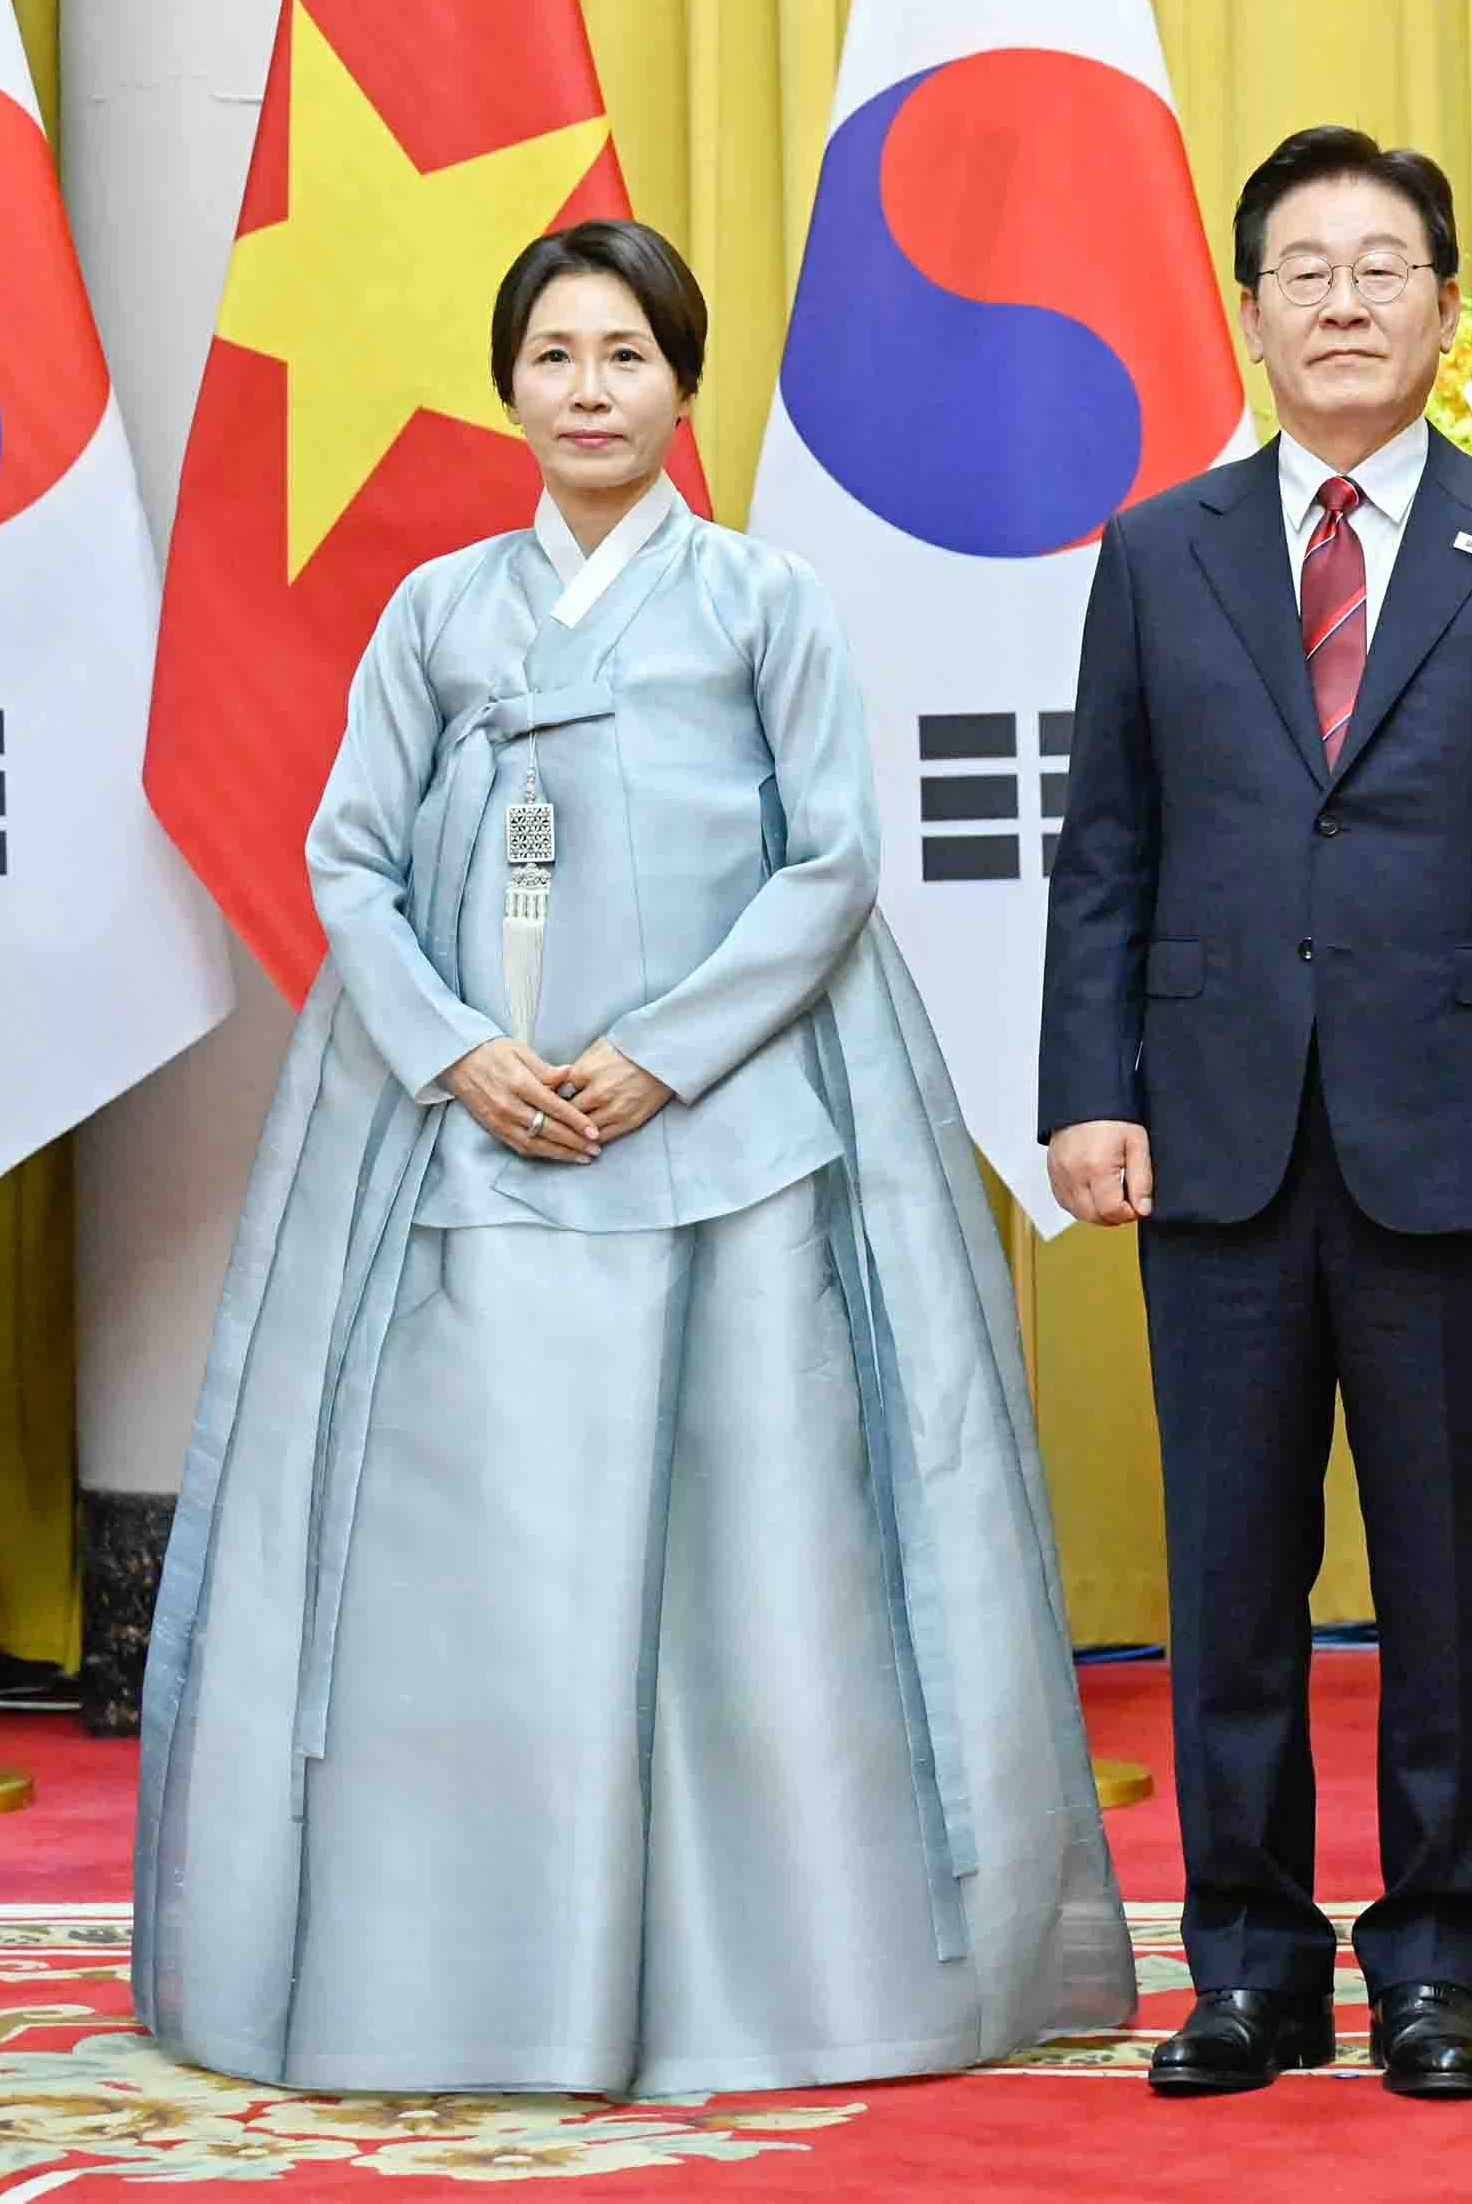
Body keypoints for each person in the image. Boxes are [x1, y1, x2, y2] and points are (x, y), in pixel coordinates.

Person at [133, 219, 1134, 2095]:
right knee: (483, 1560)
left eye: (626, 357)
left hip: (730, 1144)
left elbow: (832, 860)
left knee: (757, 1563)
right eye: (554, 358)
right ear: (507, 386)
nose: (589, 391)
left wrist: (657, 1061)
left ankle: (782, 1983)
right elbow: (346, 854)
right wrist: (458, 1054)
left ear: (685, 383)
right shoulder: (435, 609)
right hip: (471, 1142)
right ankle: (465, 1977)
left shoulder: (765, 602)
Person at [1038, 127, 1472, 2102]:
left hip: (1458, 1133)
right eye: (1298, 270)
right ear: (1245, 312)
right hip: (1212, 1135)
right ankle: (1242, 1964)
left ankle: (1429, 1965)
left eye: (1377, 266)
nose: (1338, 301)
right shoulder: (1159, 552)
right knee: (1229, 1577)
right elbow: (1106, 853)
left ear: (1445, 304)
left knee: (1449, 1583)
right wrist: (1088, 1097)